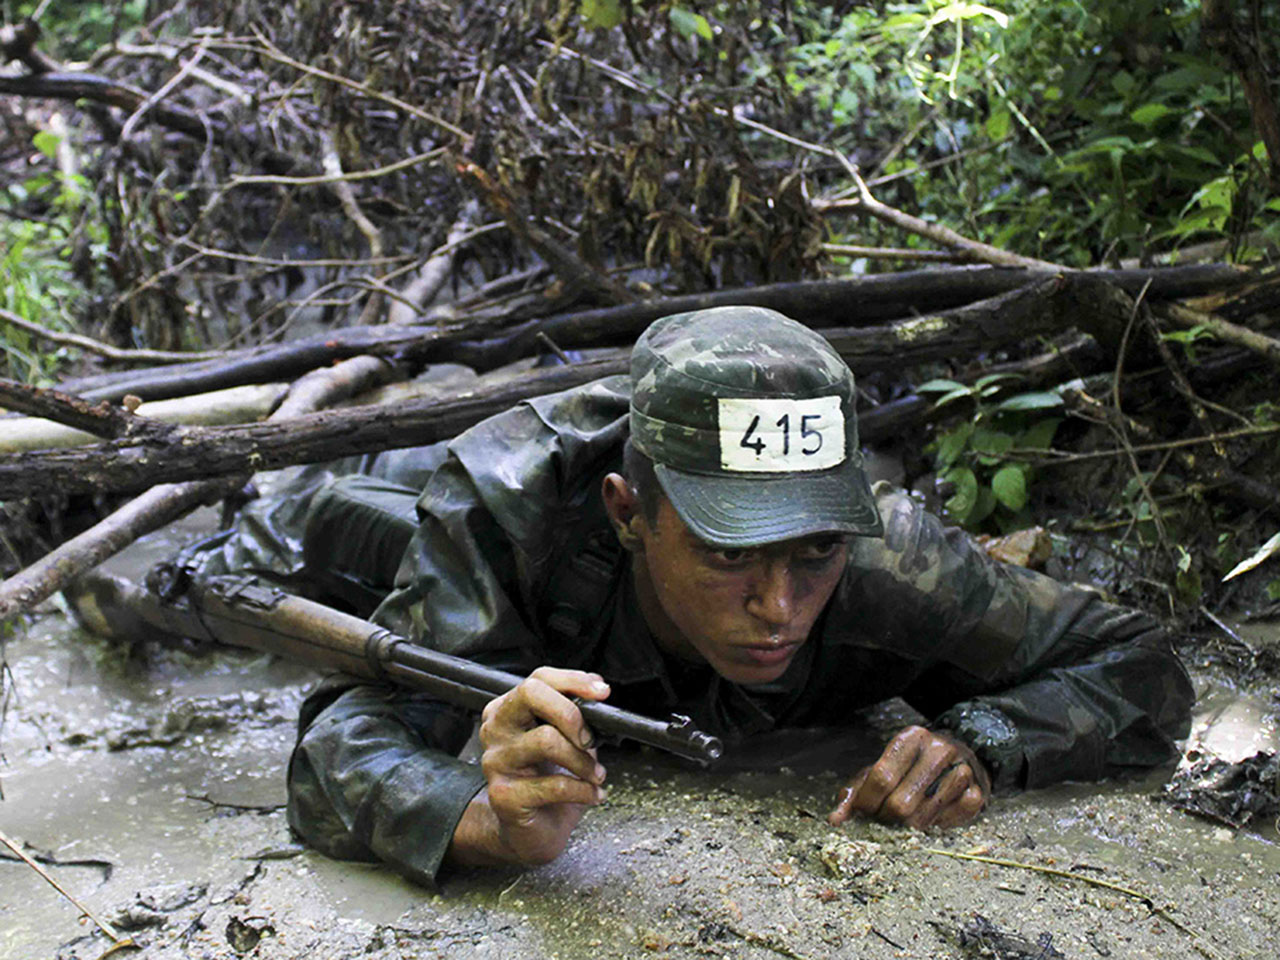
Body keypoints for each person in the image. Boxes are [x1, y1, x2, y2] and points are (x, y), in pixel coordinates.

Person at [166, 305, 1192, 885]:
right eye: (729, 555)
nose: (779, 607)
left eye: (811, 555)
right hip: (387, 524)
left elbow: (1138, 662)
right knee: (268, 553)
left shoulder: (889, 554)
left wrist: (978, 742)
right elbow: (337, 744)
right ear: (629, 510)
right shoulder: (506, 514)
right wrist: (473, 815)